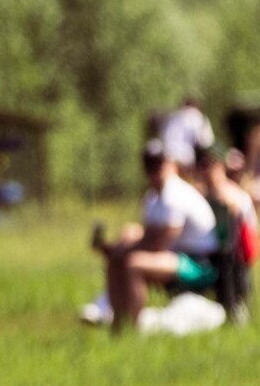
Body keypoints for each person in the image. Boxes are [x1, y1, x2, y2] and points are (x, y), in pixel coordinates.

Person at [89, 141, 219, 332]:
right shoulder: (153, 197)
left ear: (171, 164)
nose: (155, 170)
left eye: (159, 163)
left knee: (134, 264)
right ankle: (118, 325)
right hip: (180, 255)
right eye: (150, 164)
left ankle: (133, 328)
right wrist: (116, 250)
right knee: (120, 255)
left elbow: (160, 244)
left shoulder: (174, 193)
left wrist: (123, 251)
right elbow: (148, 238)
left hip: (200, 263)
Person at [159, 96, 214, 168]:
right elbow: (206, 142)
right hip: (187, 158)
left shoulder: (174, 115)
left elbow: (163, 135)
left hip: (168, 155)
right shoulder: (199, 118)